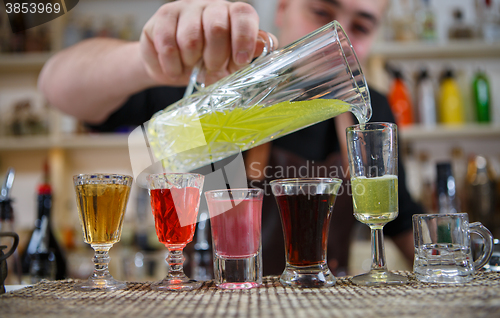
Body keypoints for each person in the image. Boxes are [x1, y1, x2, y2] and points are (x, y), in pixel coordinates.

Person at [38, 0, 421, 276]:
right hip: (214, 310)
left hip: (318, 310)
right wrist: (154, 57)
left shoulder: (370, 113)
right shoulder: (218, 82)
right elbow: (56, 86)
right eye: (321, 12)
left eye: (362, 26)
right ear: (284, 8)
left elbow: (400, 223)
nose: (338, 36)